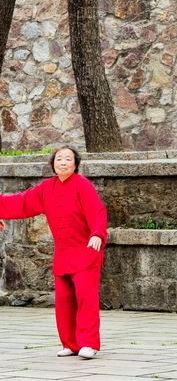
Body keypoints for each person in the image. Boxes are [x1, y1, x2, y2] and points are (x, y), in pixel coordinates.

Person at [0, 146, 107, 359]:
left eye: (68, 159)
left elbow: (98, 211)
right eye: (59, 159)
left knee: (86, 298)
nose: (63, 162)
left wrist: (97, 234)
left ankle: (89, 343)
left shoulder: (82, 185)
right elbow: (21, 202)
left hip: (86, 251)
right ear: (53, 164)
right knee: (64, 300)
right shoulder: (46, 188)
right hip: (64, 254)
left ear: (75, 164)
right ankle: (70, 343)